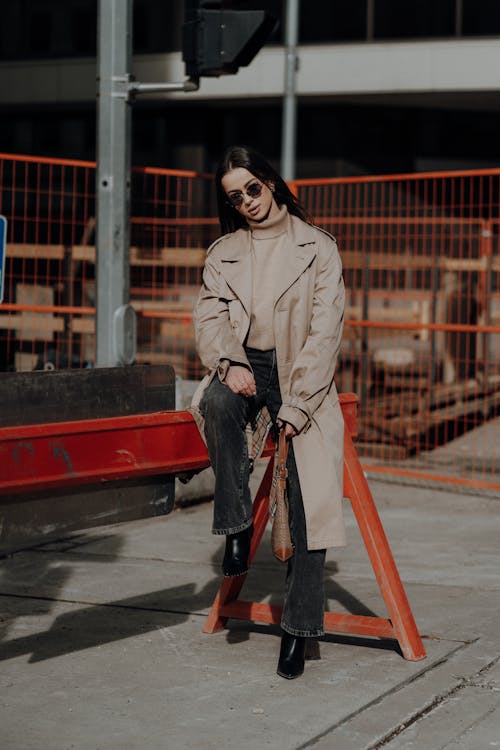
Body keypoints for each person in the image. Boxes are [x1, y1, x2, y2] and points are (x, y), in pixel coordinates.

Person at [190, 145, 346, 680]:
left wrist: (299, 405)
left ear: (271, 183)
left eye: (252, 188)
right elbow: (210, 318)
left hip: (301, 368)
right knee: (213, 401)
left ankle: (298, 631)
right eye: (235, 196)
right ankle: (235, 525)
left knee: (308, 498)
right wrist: (229, 361)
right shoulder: (223, 252)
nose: (247, 201)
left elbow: (325, 335)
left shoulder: (318, 249)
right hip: (245, 364)